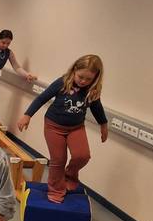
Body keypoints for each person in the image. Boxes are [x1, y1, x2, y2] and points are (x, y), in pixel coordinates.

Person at [17, 54, 107, 203]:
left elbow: (97, 108)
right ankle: (56, 190)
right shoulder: (63, 82)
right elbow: (42, 98)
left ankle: (69, 175)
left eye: (88, 79)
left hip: (76, 128)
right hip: (53, 126)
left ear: (96, 78)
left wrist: (103, 125)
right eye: (80, 77)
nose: (83, 81)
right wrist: (27, 115)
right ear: (74, 70)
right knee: (58, 160)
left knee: (82, 156)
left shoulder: (92, 90)